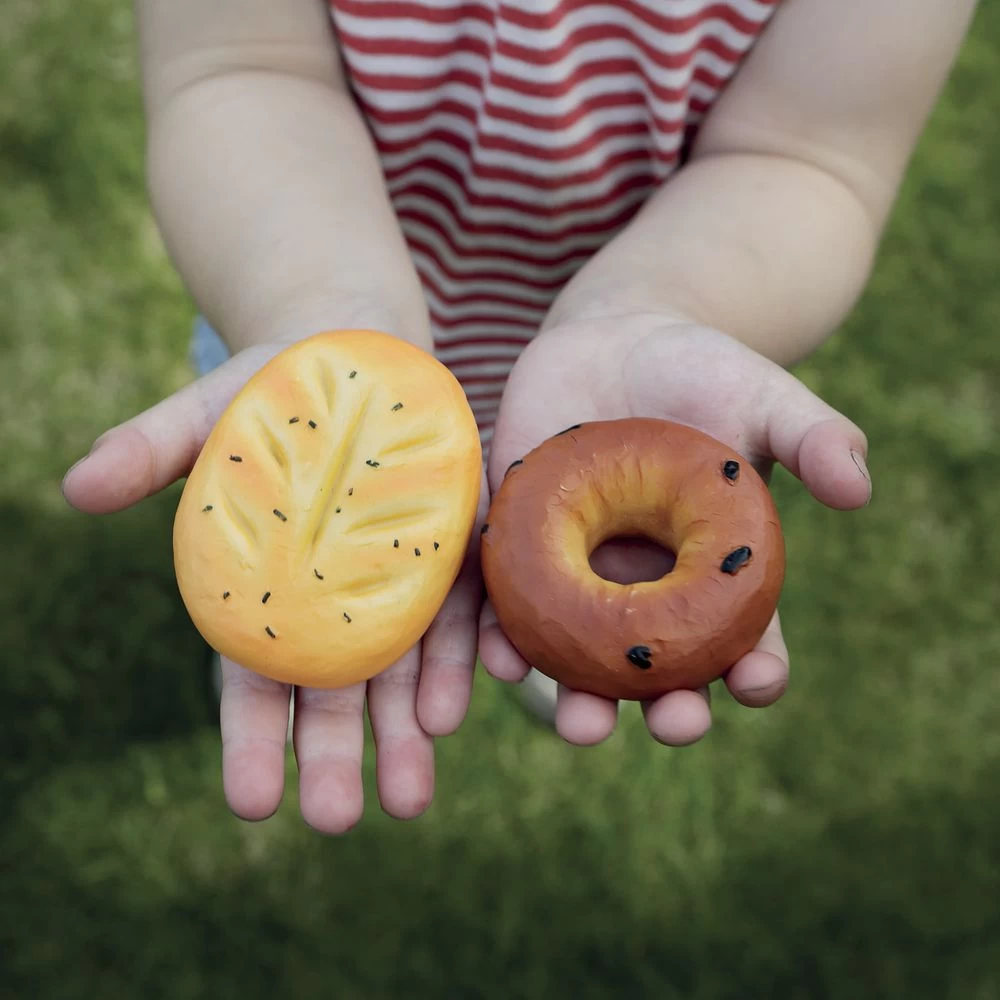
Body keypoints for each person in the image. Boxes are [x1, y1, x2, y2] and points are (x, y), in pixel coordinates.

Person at [62, 0, 977, 834]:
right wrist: (319, 302)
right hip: (310, 337)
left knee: (544, 598)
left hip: (634, 374)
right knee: (295, 541)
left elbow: (809, 154)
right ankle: (322, 635)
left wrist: (652, 303)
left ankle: (542, 637)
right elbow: (240, 68)